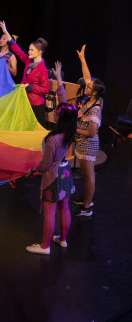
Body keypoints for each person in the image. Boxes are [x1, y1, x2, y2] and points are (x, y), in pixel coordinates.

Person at [24, 61, 77, 254]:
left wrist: (32, 170)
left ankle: (45, 246)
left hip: (53, 176)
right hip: (65, 171)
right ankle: (62, 240)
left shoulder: (53, 139)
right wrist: (59, 79)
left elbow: (45, 165)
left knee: (49, 213)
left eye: (57, 112)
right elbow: (63, 101)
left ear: (59, 118)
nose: (55, 112)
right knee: (65, 208)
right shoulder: (69, 130)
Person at [71, 45, 105, 217]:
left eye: (89, 86)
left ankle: (86, 207)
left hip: (88, 145)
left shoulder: (95, 110)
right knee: (86, 176)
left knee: (89, 177)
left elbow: (91, 133)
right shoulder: (91, 98)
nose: (86, 85)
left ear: (94, 92)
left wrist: (74, 128)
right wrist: (82, 59)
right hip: (82, 143)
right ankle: (86, 199)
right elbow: (87, 77)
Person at [0, 21, 49, 127]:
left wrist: (30, 86)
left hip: (35, 105)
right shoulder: (28, 61)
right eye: (29, 49)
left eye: (32, 50)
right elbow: (18, 50)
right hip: (24, 100)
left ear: (39, 52)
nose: (29, 52)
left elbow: (45, 89)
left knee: (36, 130)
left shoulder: (43, 69)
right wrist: (6, 31)